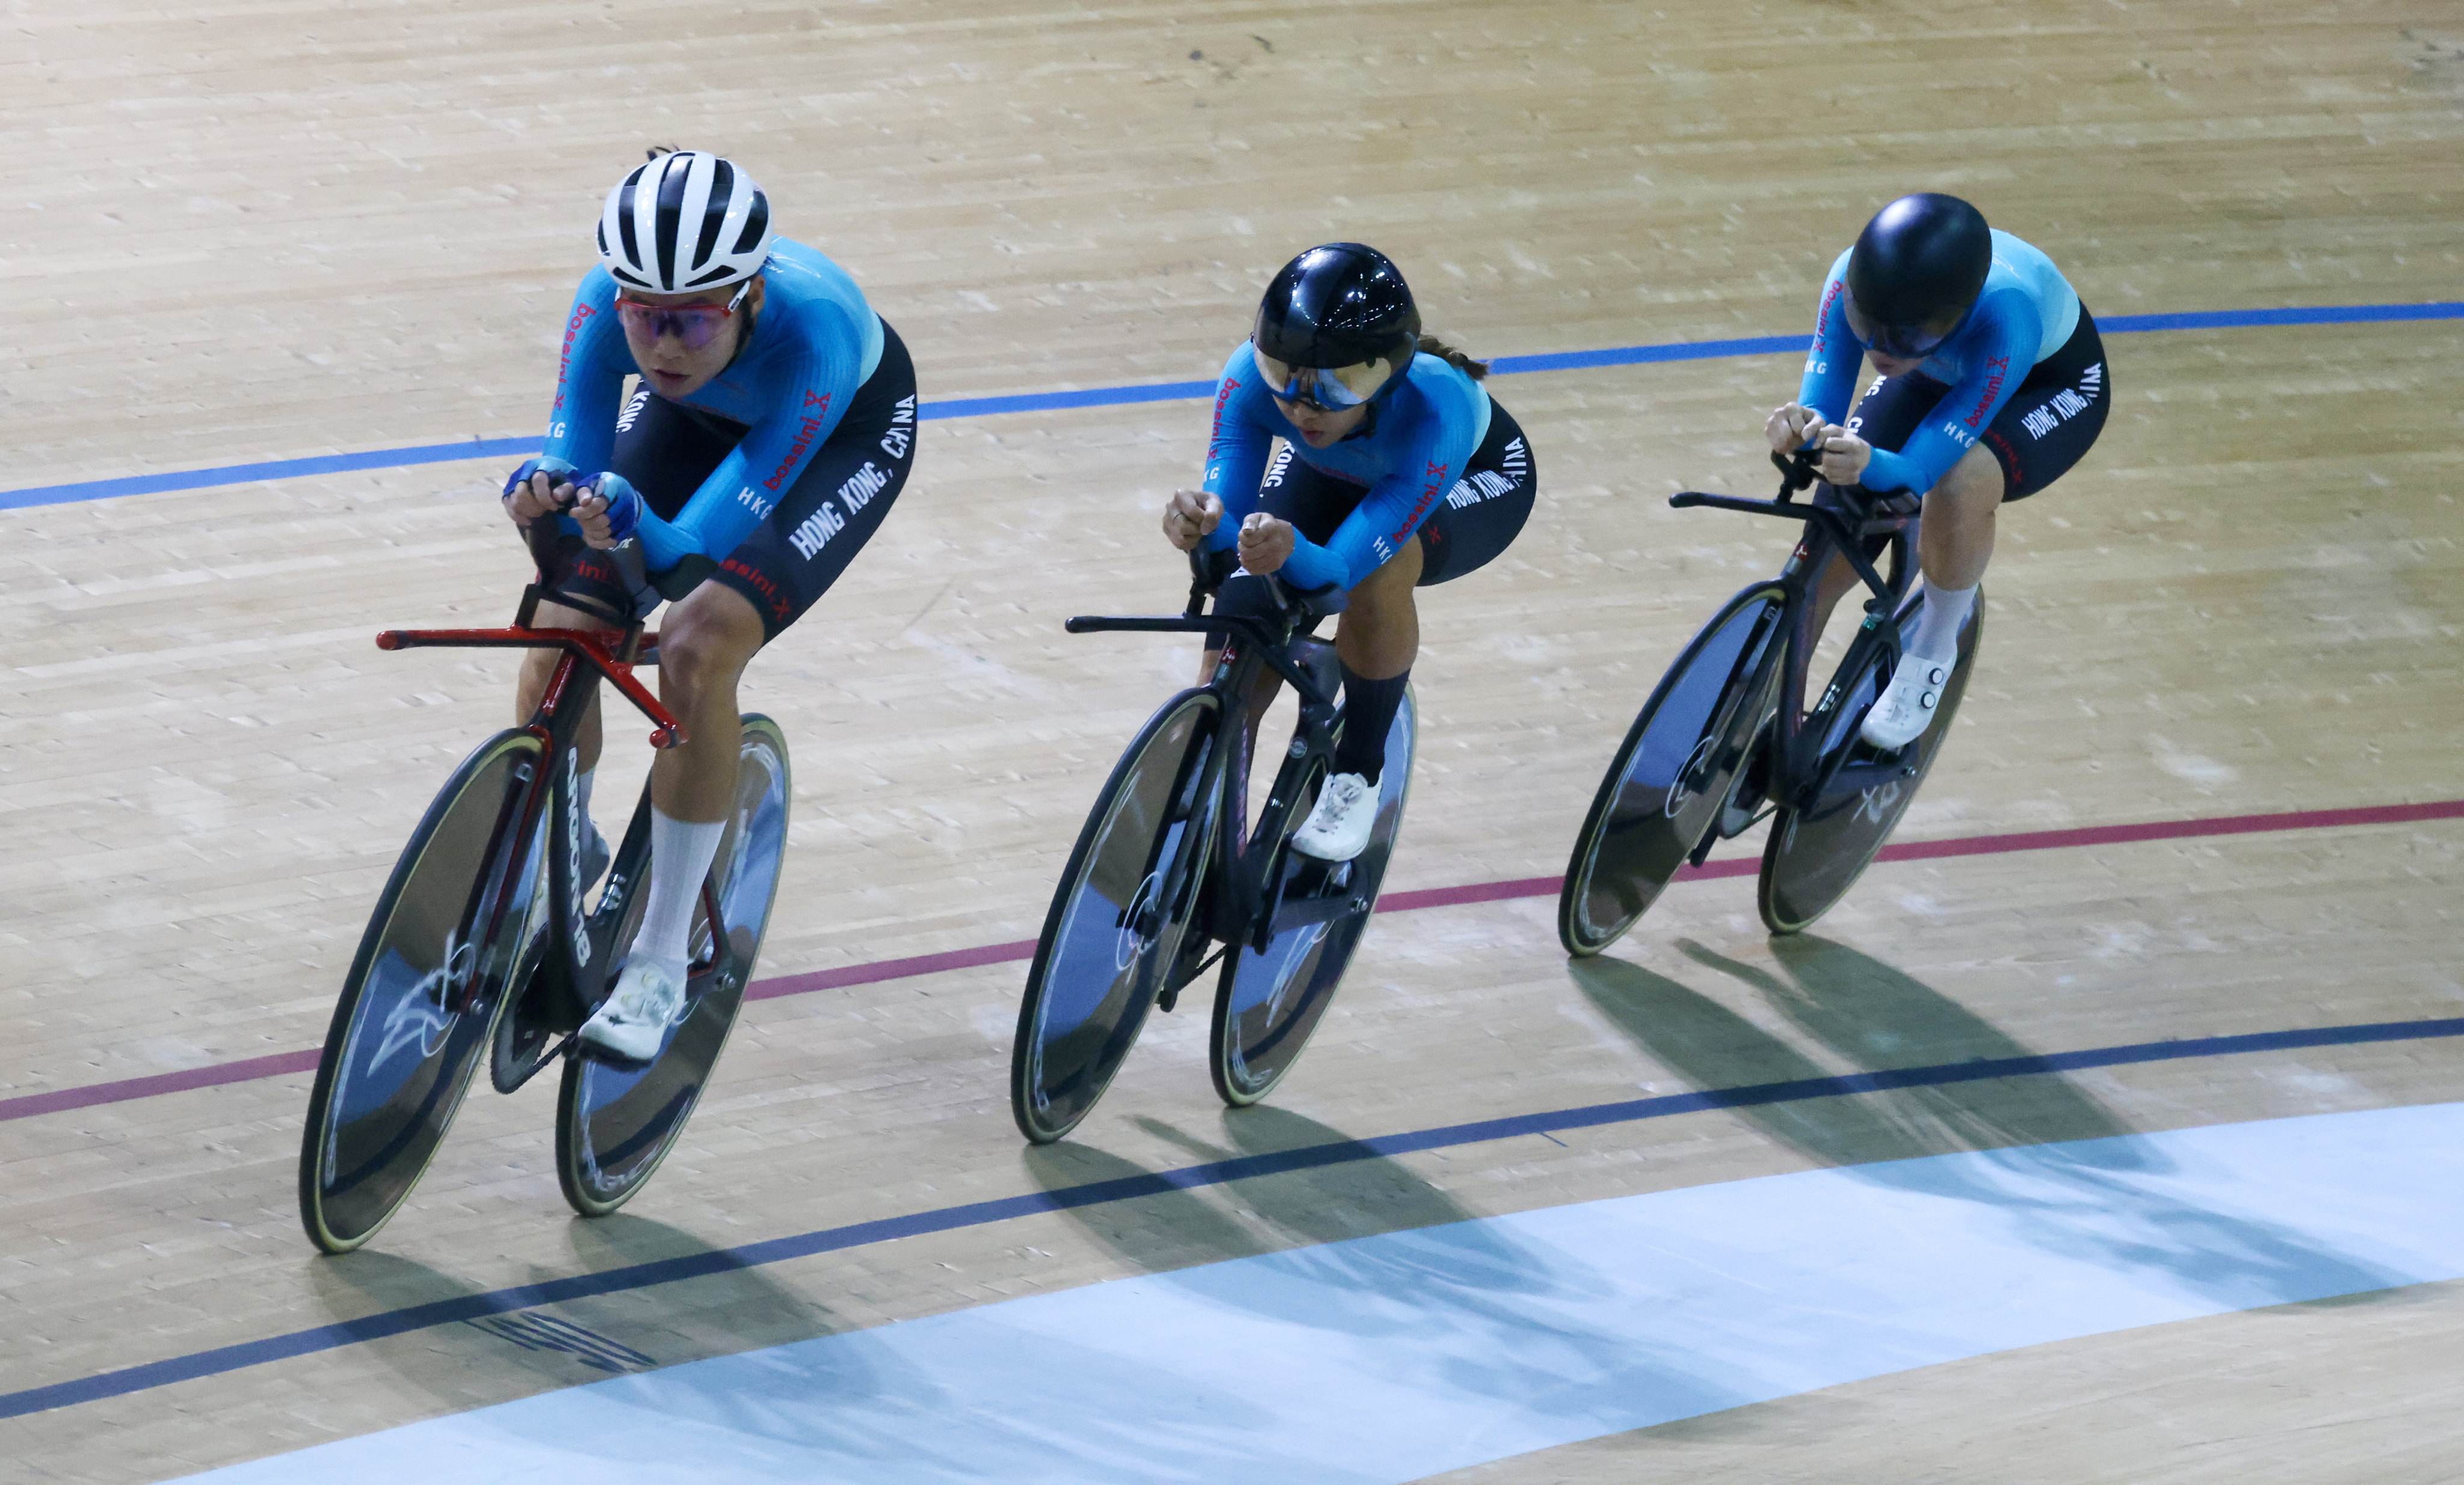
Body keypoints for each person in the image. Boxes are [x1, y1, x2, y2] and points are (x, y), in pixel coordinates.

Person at [499, 148, 917, 1059]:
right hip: (695, 420)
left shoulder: (815, 334)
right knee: (564, 627)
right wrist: (543, 490)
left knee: (696, 643)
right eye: (644, 319)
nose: (663, 344)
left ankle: (658, 960)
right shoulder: (610, 305)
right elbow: (572, 442)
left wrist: (634, 522)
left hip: (828, 436)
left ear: (747, 297)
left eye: (691, 321)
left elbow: (689, 554)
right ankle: (567, 854)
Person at [1161, 242, 1537, 861]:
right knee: (1247, 604)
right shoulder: (1250, 380)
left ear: (1386, 373)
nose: (1303, 407)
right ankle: (1208, 784)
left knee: (1377, 570)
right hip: (1335, 468)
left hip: (1469, 482)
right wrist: (1200, 525)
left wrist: (1284, 550)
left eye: (1338, 387)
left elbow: (1335, 572)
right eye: (1284, 379)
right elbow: (1226, 518)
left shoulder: (1434, 409)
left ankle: (1359, 772)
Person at [1766, 192, 2109, 747]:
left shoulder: (2006, 317)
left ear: (1952, 322)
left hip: (2043, 385)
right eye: (1867, 326)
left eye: (1903, 338)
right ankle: (1770, 702)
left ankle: (1932, 648)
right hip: (1937, 367)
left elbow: (1917, 472)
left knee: (1956, 483)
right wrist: (1801, 431)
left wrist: (1872, 463)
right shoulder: (1850, 282)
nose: (1880, 350)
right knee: (1834, 526)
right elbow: (1821, 408)